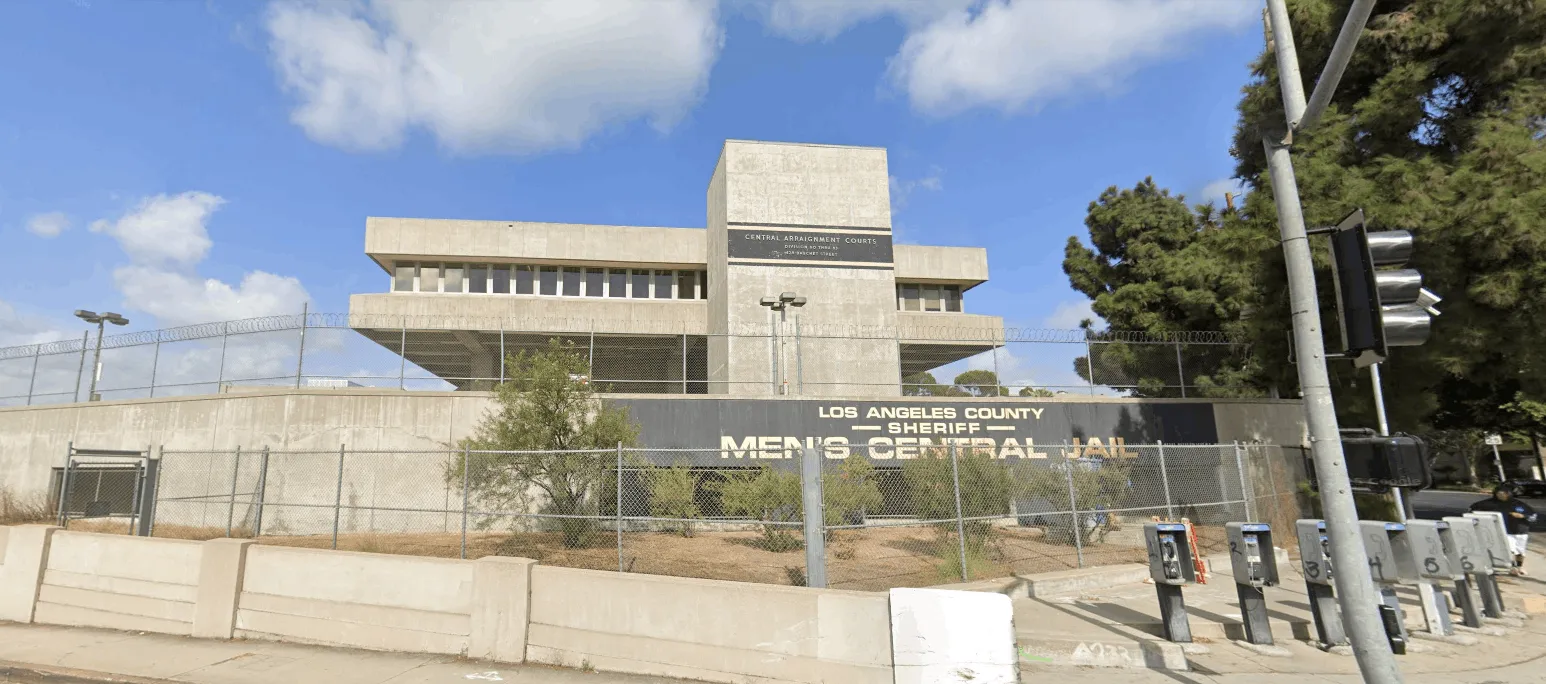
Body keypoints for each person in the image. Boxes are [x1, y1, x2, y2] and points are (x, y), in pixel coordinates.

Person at [1469, 485, 1539, 575]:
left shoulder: (1519, 504)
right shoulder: (1486, 504)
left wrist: (1523, 516)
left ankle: (1518, 567)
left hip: (1521, 531)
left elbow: (1533, 516)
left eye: (1504, 494)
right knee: (1509, 550)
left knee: (1520, 552)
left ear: (1509, 494)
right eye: (1499, 494)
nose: (1501, 495)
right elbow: (1471, 511)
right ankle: (1506, 567)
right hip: (1503, 531)